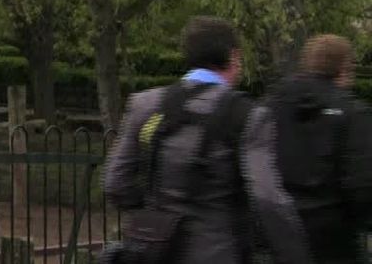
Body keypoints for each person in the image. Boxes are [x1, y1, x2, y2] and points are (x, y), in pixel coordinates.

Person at [105, 16, 309, 264]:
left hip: (153, 251)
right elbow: (267, 199)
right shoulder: (248, 116)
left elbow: (115, 182)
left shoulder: (146, 105)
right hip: (219, 251)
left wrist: (154, 209)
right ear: (233, 57)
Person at [266, 35, 372, 263]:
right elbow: (361, 182)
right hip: (333, 232)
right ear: (344, 67)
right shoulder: (351, 112)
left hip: (281, 228)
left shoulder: (274, 105)